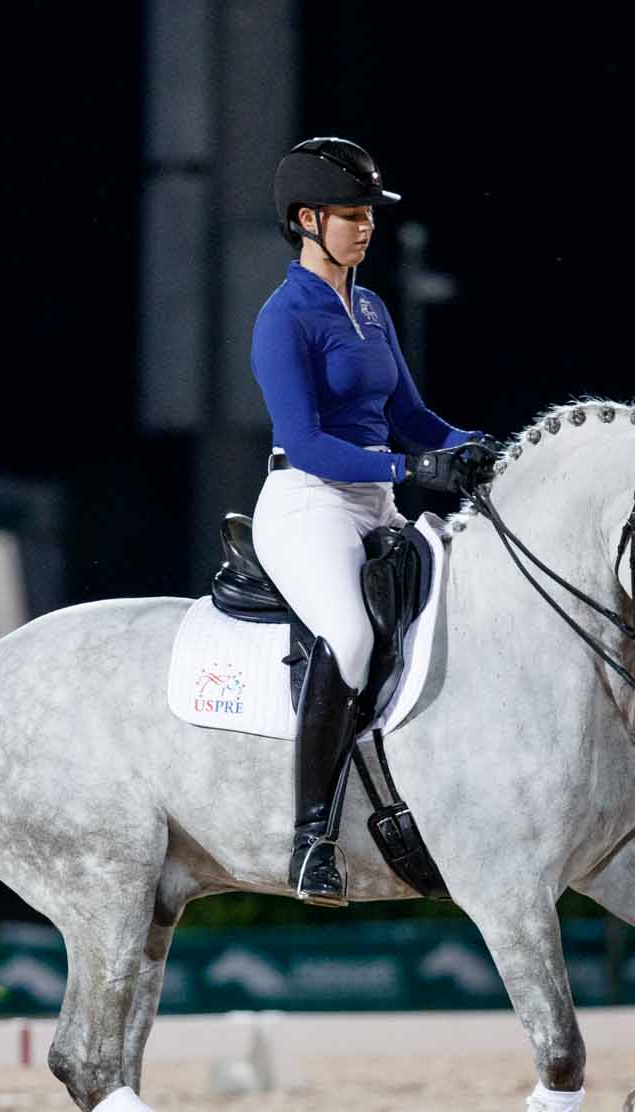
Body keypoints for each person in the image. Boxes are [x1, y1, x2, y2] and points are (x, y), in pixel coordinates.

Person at [249, 136, 498, 904]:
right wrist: (412, 468)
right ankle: (311, 839)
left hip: (375, 500)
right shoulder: (282, 317)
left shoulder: (370, 305)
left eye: (368, 215)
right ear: (305, 220)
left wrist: (476, 448)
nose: (366, 227)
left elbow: (412, 417)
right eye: (350, 215)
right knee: (352, 636)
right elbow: (313, 443)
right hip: (307, 502)